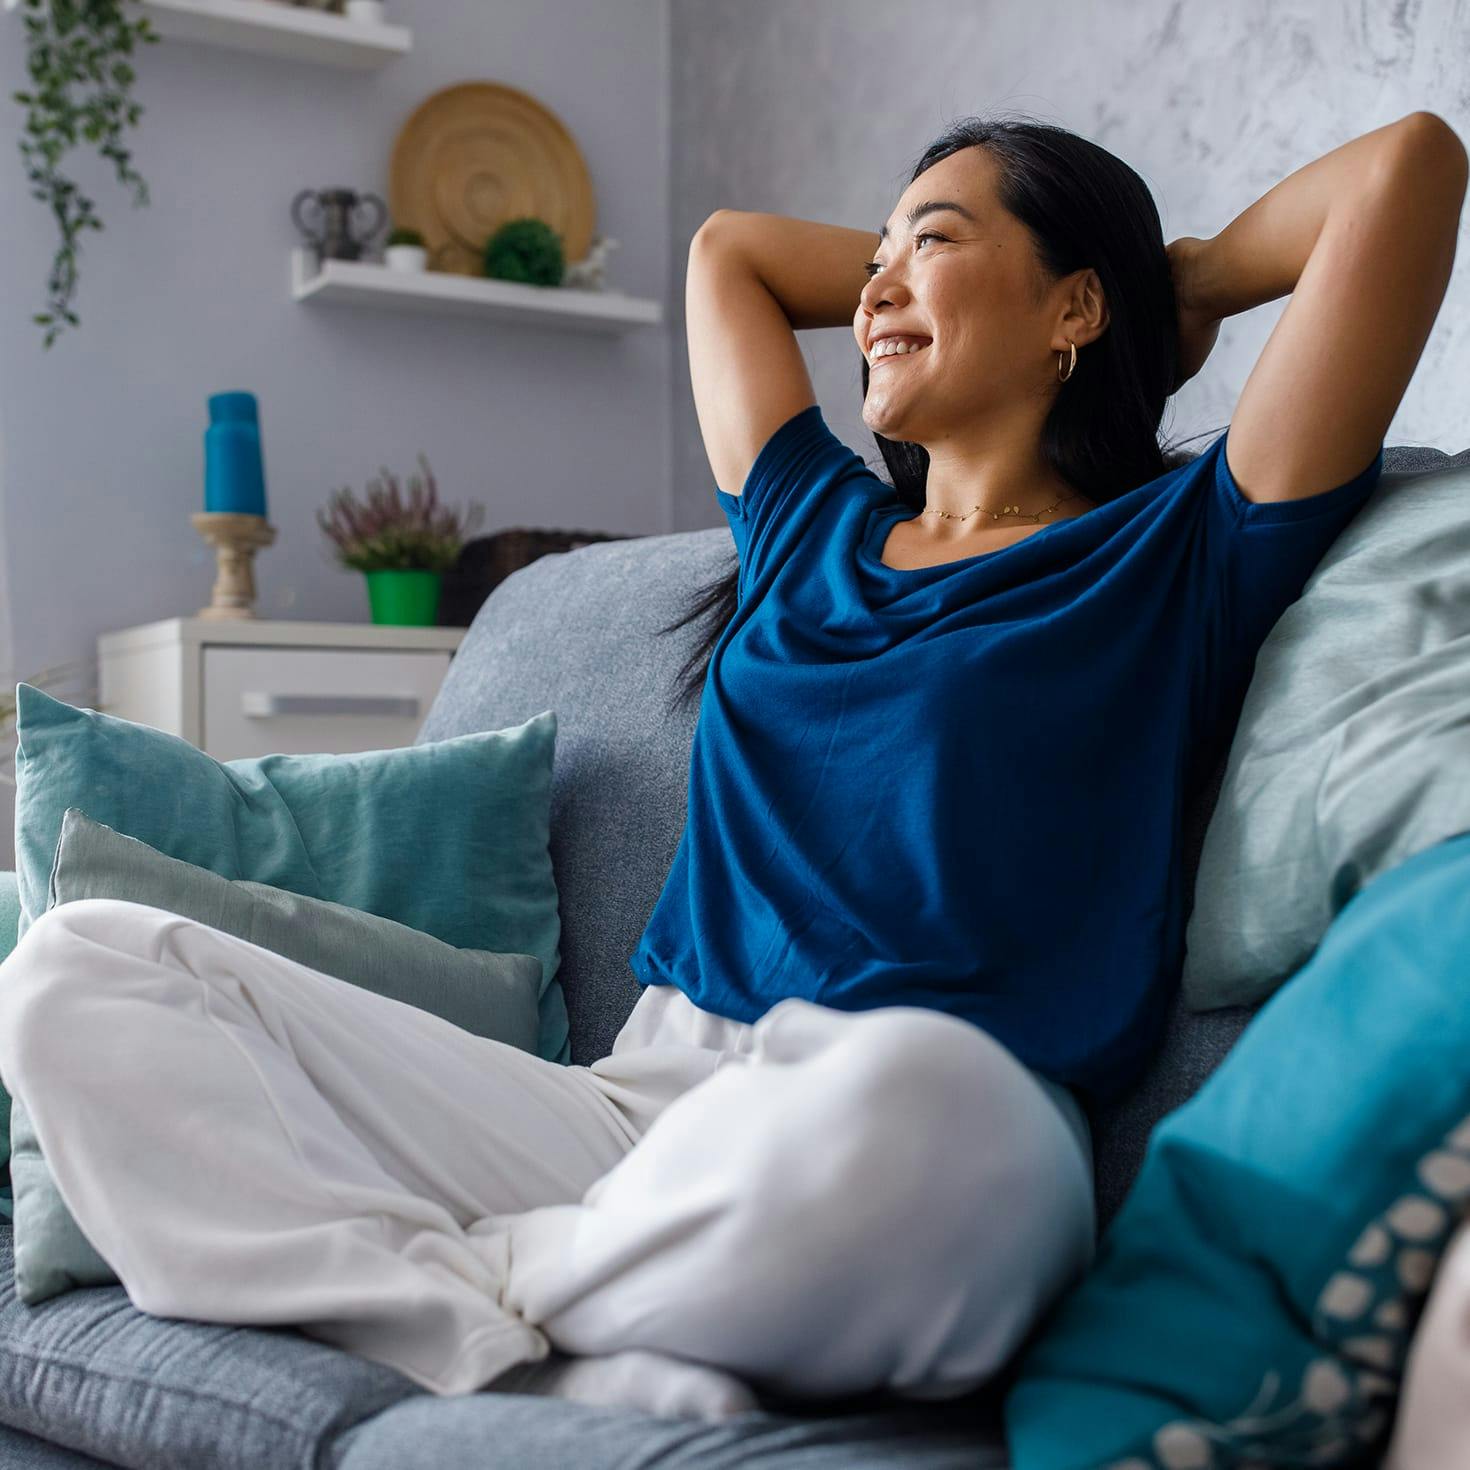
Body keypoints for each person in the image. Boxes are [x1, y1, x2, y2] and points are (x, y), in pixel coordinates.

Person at [0, 108, 1461, 1428]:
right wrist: (934, 266)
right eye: (873, 254)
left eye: (930, 244)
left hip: (932, 1108)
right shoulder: (804, 530)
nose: (874, 287)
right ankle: (544, 1332)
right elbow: (729, 257)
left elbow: (1404, 171)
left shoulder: (1179, 548)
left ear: (1072, 305)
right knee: (77, 969)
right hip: (638, 1101)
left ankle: (491, 1294)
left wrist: (1169, 278)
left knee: (929, 1112)